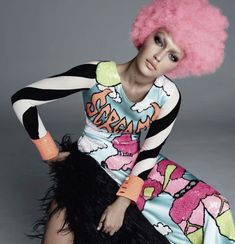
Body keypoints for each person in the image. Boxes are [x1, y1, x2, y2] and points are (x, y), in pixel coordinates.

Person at [11, 0, 235, 243]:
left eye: (172, 55)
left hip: (139, 167)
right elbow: (23, 99)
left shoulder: (168, 96)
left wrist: (122, 203)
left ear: (180, 65)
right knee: (73, 219)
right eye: (159, 40)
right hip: (92, 161)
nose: (158, 57)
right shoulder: (96, 74)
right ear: (147, 32)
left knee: (215, 206)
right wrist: (51, 153)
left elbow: (149, 154)